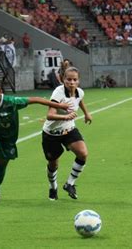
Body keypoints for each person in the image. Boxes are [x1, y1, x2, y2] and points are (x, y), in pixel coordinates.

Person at [0, 79, 71, 203]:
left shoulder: (12, 102)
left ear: (1, 93)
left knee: (1, 166)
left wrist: (58, 105)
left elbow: (36, 99)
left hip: (9, 138)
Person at [42, 67, 93, 200]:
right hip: (51, 133)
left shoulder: (79, 92)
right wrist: (65, 117)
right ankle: (53, 187)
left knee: (83, 153)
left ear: (78, 81)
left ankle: (69, 184)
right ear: (63, 80)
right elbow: (50, 115)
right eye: (68, 79)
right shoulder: (58, 93)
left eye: (74, 79)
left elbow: (80, 100)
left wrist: (87, 114)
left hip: (69, 130)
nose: (71, 82)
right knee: (53, 164)